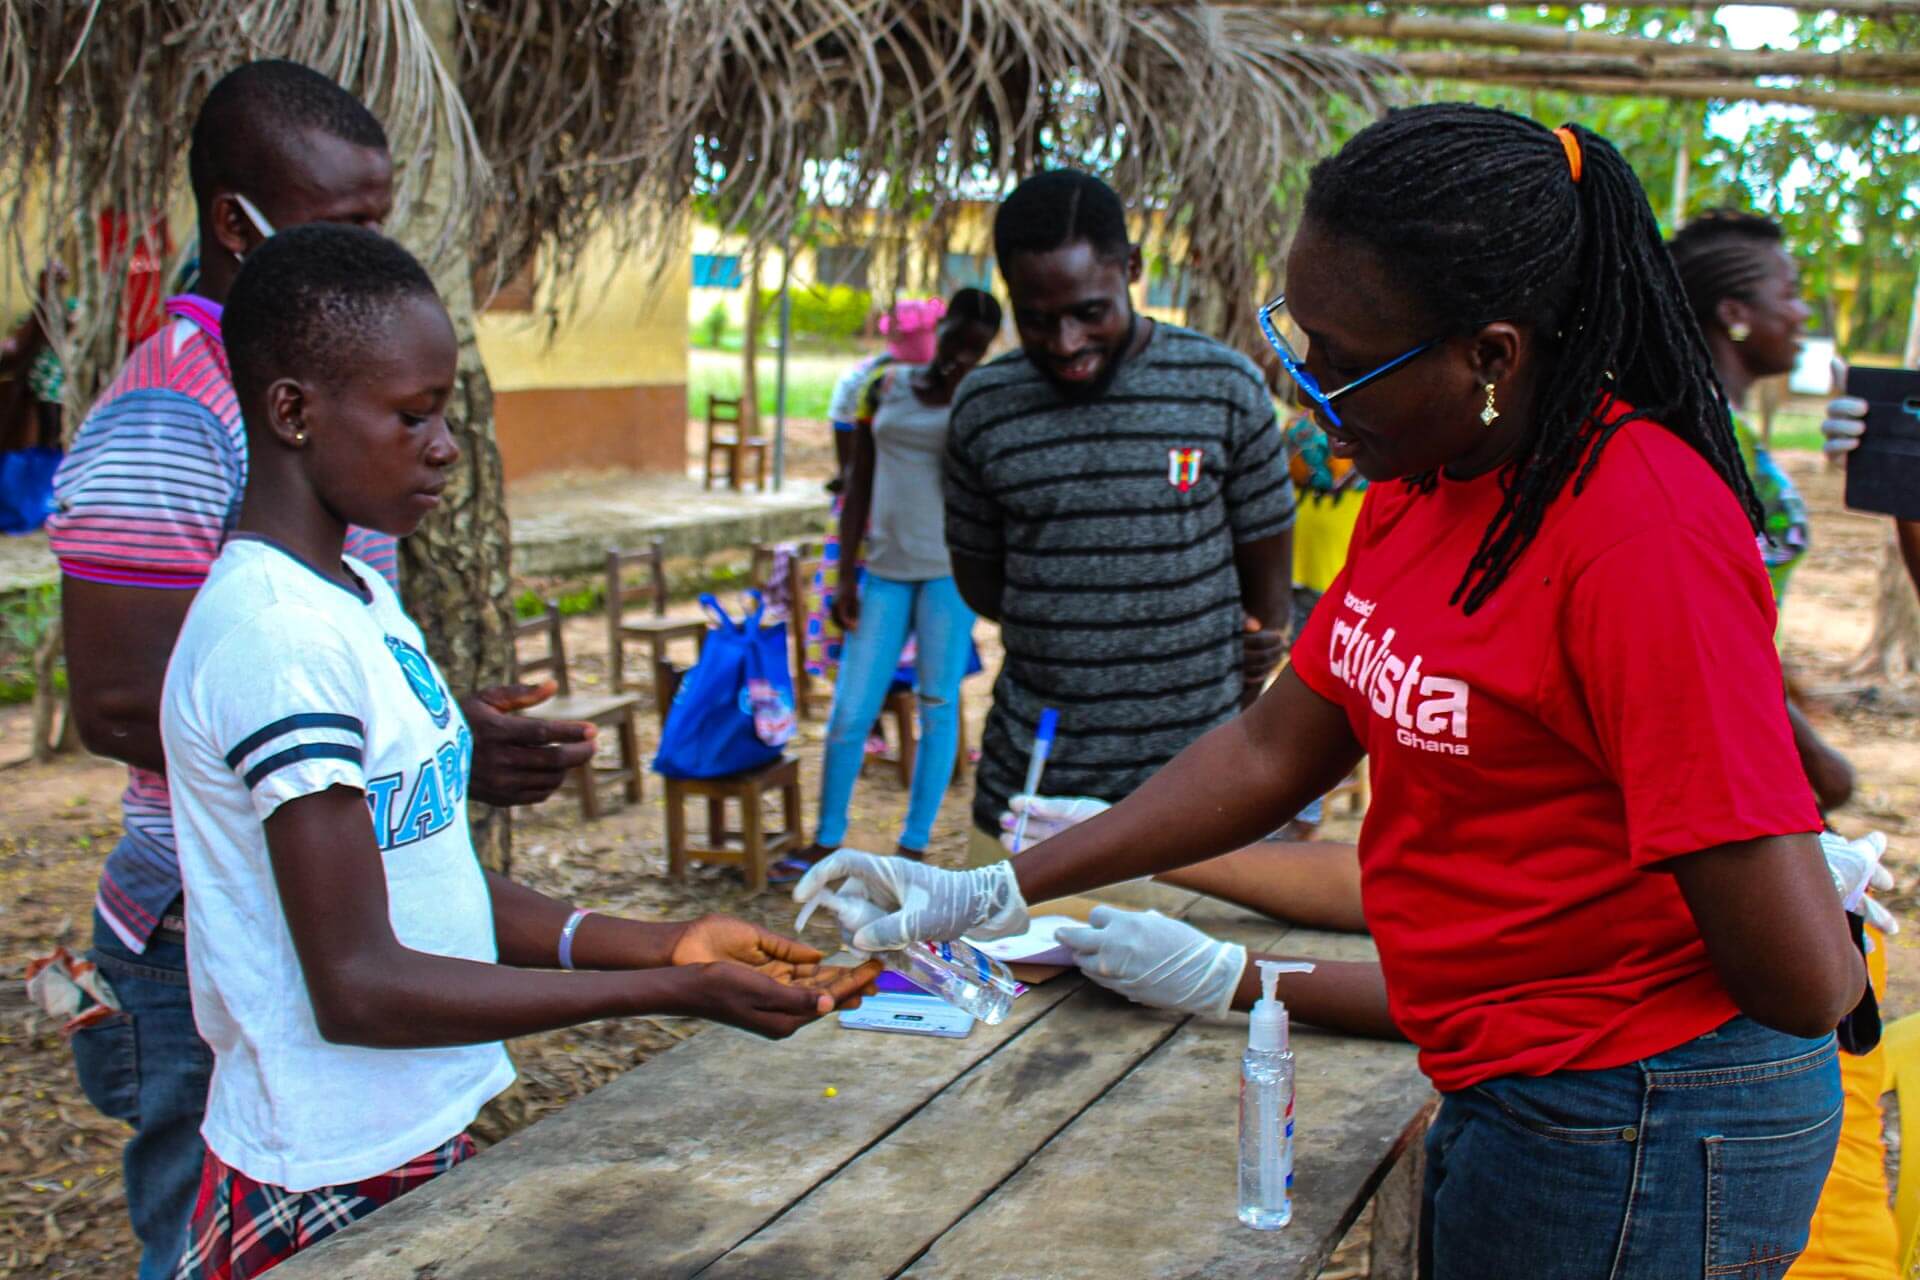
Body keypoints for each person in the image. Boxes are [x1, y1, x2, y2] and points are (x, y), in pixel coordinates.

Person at [800, 105, 1867, 1277]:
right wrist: (988, 888)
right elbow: (1270, 750)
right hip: (1512, 1074)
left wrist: (1756, 829)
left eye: (1347, 364)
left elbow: (1807, 980)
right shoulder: (1429, 478)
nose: (1309, 385)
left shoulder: (1635, 535)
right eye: (1299, 338)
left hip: (1644, 1110)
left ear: (1492, 357)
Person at [163, 223, 878, 1280]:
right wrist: (668, 996)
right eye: (413, 416)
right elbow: (357, 982)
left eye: (443, 411)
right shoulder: (275, 638)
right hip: (320, 1172)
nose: (446, 445)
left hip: (404, 1133)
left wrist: (663, 942)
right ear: (292, 412)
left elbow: (432, 876)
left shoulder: (358, 600)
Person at [44, 61, 596, 1280]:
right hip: (218, 918)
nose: (375, 252)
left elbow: (335, 682)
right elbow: (125, 699)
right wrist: (349, 743)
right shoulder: (170, 420)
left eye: (380, 223)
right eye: (345, 226)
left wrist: (432, 729)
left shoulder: (346, 417)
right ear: (240, 220)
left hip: (348, 890)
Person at [943, 169, 1296, 866]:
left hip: (1198, 808)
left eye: (1089, 312)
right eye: (1037, 319)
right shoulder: (985, 408)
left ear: (1132, 269)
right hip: (1032, 799)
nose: (1066, 342)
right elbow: (984, 586)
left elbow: (1267, 592)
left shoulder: (1222, 389)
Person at [777, 289, 1002, 879]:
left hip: (947, 576)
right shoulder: (888, 388)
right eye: (956, 339)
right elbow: (857, 484)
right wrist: (845, 573)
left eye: (976, 349)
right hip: (882, 571)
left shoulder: (979, 403)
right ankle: (827, 839)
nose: (961, 355)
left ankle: (914, 846)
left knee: (938, 703)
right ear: (941, 327)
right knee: (851, 709)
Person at [1671, 210, 1854, 812]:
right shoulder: (1703, 438)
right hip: (1711, 732)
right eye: (1791, 294)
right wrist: (1817, 766)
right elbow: (1702, 620)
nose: (1803, 313)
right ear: (1734, 314)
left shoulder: (1727, 428)